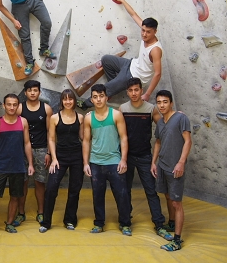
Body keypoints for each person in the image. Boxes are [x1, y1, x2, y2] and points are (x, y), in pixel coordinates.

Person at [78, 0, 162, 110]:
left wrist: (147, 94)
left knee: (103, 90)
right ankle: (112, 90)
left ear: (155, 32)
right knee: (106, 59)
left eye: (148, 32)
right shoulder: (145, 30)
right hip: (131, 64)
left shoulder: (155, 50)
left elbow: (158, 74)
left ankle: (84, 105)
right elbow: (133, 14)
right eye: (143, 30)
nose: (144, 34)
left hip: (134, 76)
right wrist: (122, 0)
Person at [119, 78, 173, 241]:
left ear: (141, 90)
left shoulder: (151, 109)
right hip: (126, 157)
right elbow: (118, 133)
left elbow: (165, 125)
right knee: (124, 191)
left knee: (151, 191)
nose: (134, 93)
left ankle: (159, 224)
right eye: (130, 91)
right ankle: (125, 222)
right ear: (127, 92)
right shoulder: (122, 108)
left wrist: (175, 115)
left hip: (145, 157)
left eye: (136, 90)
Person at [82, 84, 132, 235]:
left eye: (101, 96)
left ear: (106, 97)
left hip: (114, 161)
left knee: (122, 194)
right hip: (96, 162)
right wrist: (85, 163)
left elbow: (123, 138)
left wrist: (123, 160)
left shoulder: (116, 115)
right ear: (91, 99)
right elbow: (86, 141)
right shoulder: (88, 118)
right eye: (95, 97)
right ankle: (99, 223)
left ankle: (125, 223)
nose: (98, 100)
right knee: (97, 194)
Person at [0, 94, 34, 234]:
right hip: (0, 166)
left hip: (18, 166)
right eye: (9, 104)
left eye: (14, 104)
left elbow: (27, 143)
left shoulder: (23, 122)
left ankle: (10, 223)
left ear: (18, 106)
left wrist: (30, 164)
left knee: (15, 196)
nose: (12, 107)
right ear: (4, 106)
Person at [151, 90, 192, 251]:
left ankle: (177, 239)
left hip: (175, 167)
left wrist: (181, 163)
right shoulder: (160, 122)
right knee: (167, 197)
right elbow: (158, 143)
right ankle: (172, 223)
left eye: (165, 102)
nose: (162, 105)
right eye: (159, 102)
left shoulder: (181, 118)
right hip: (162, 165)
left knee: (176, 202)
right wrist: (154, 162)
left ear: (171, 103)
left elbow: (188, 141)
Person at [39, 89, 84, 233]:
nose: (68, 102)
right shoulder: (54, 117)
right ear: (62, 101)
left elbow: (83, 138)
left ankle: (70, 219)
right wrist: (54, 159)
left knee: (74, 189)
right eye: (65, 99)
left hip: (77, 156)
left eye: (70, 99)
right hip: (60, 157)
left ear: (74, 101)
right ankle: (46, 222)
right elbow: (51, 139)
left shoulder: (81, 117)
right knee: (51, 188)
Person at [13, 80, 52, 227]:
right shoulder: (19, 108)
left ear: (39, 92)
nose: (33, 93)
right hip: (22, 150)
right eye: (30, 90)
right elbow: (15, 131)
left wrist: (49, 152)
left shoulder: (46, 109)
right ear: (25, 92)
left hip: (41, 150)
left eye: (35, 90)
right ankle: (21, 213)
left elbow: (50, 132)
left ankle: (41, 212)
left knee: (40, 182)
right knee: (22, 182)